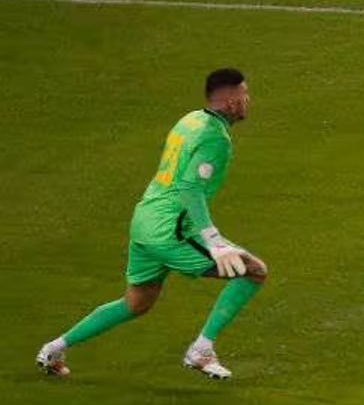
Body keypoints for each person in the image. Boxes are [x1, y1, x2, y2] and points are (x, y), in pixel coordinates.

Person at [36, 68, 266, 382]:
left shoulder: (190, 120)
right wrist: (214, 240)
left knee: (136, 302)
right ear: (229, 101)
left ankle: (55, 347)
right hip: (169, 232)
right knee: (252, 271)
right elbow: (190, 188)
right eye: (243, 96)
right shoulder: (215, 138)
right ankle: (201, 350)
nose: (248, 101)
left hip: (144, 221)